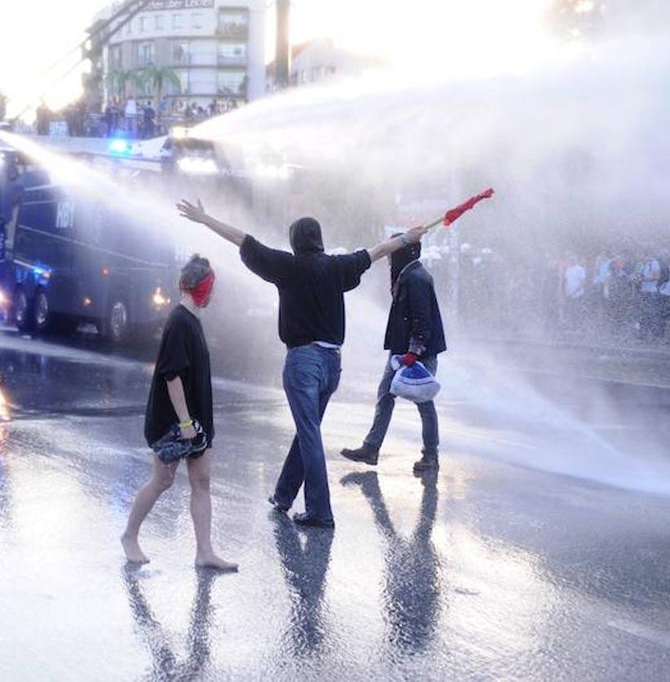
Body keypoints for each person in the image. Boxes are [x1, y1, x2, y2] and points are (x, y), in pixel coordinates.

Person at [176, 198, 427, 529]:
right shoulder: (339, 267)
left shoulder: (286, 266)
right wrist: (409, 238)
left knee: (309, 434)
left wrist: (205, 218)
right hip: (332, 365)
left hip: (303, 363)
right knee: (307, 430)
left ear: (295, 241)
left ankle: (320, 511)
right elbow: (378, 251)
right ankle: (283, 495)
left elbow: (242, 239)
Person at [121, 255, 237, 570]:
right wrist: (185, 423)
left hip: (198, 419)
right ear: (201, 287)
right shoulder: (179, 322)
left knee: (202, 482)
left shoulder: (193, 319)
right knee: (162, 480)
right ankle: (129, 535)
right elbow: (171, 377)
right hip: (177, 421)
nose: (213, 294)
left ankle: (205, 552)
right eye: (211, 286)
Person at [341, 235, 446, 472]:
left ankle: (430, 456)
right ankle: (371, 448)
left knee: (423, 400)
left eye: (392, 253)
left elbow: (422, 319)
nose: (388, 258)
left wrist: (414, 351)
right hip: (402, 351)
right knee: (386, 395)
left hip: (416, 352)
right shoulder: (409, 273)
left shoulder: (415, 278)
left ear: (403, 253)